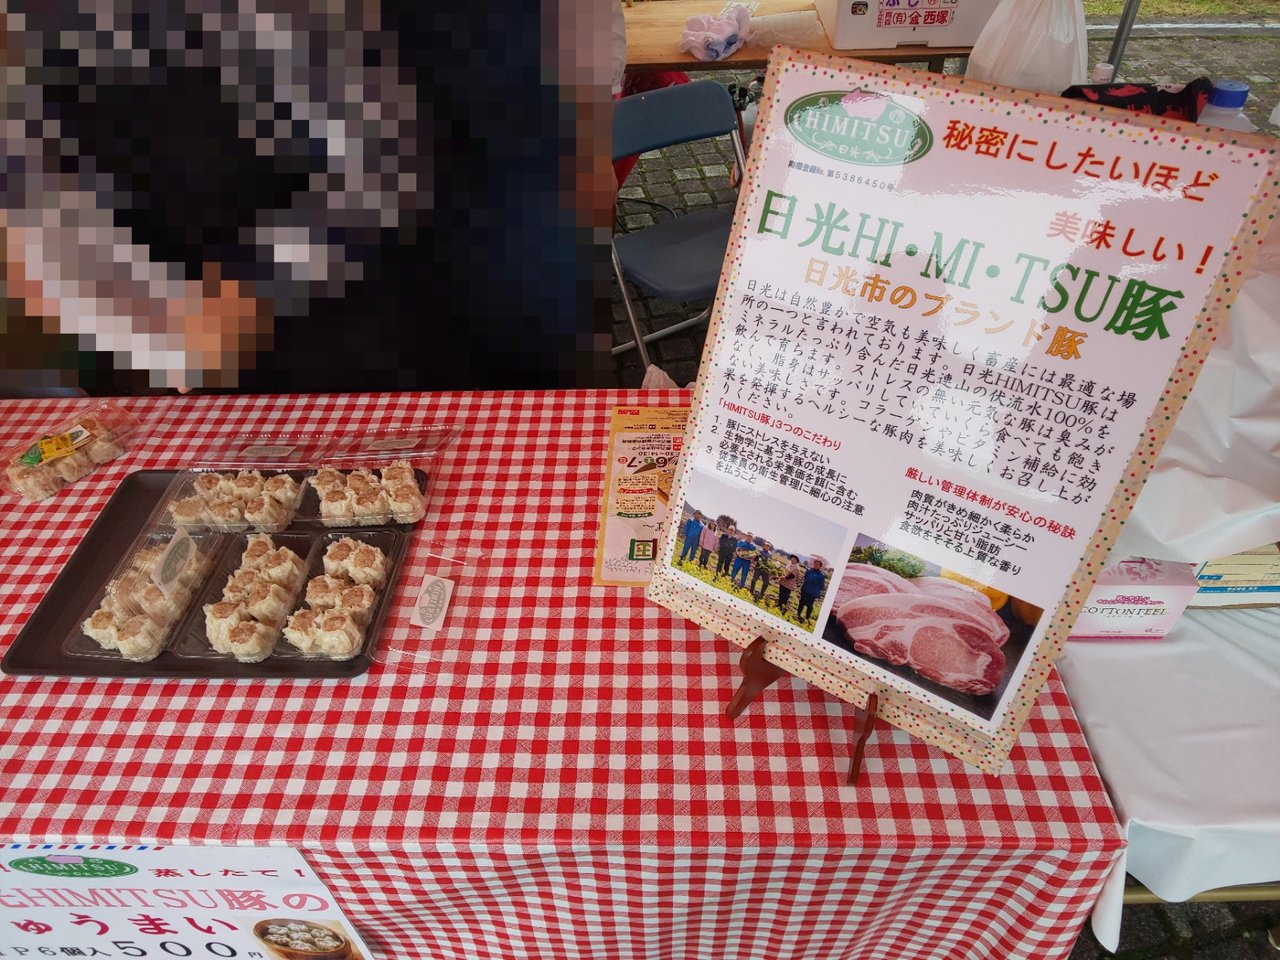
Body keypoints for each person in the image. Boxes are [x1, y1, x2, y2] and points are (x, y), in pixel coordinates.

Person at [0, 0, 616, 393]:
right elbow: (31, 205)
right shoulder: (39, 37)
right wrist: (120, 317)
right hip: (187, 358)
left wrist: (254, 288)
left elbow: (385, 153)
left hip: (358, 322)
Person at [797, 557, 828, 623]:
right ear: (814, 564)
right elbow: (805, 578)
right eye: (815, 564)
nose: (816, 565)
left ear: (820, 566)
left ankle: (806, 618)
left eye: (818, 564)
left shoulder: (821, 575)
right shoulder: (809, 570)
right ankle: (798, 614)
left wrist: (815, 589)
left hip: (812, 593)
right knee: (801, 603)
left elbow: (821, 586)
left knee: (809, 606)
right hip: (805, 589)